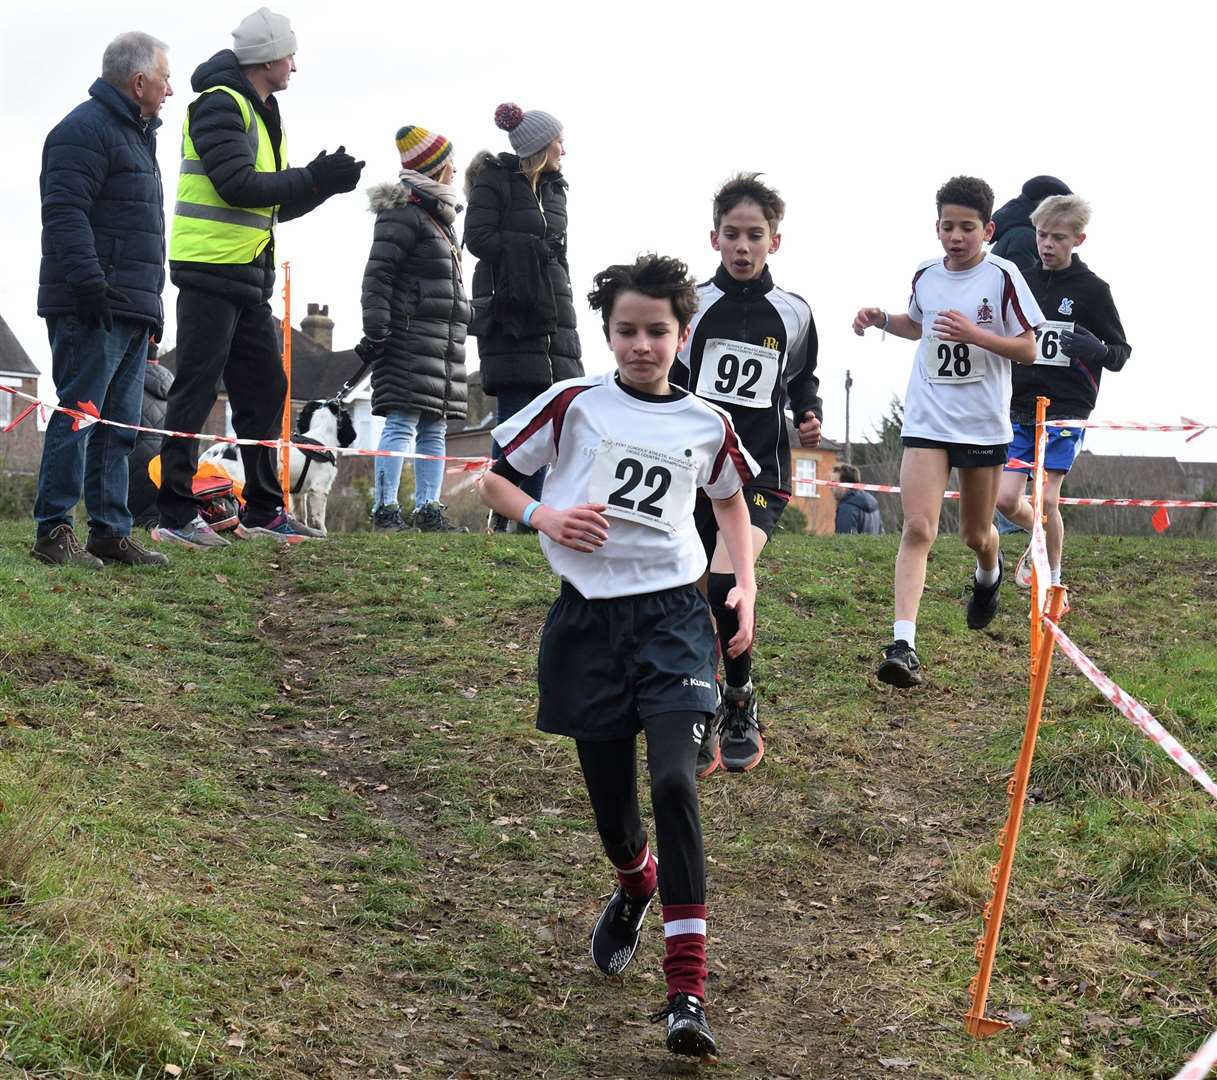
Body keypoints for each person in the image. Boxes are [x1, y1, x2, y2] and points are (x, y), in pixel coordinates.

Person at [479, 254, 758, 1060]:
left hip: (673, 618)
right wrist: (546, 515)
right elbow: (492, 479)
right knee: (614, 816)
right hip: (587, 625)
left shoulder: (706, 421)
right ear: (607, 333)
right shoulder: (572, 404)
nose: (642, 345)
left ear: (683, 333)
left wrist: (742, 582)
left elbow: (729, 500)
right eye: (627, 331)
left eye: (657, 331)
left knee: (674, 780)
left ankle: (686, 992)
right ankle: (634, 881)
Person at [153, 7, 364, 549]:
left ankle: (265, 511)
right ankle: (174, 515)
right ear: (268, 56)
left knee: (265, 387)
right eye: (290, 53)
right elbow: (237, 185)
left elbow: (270, 203)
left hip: (246, 274)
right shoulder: (219, 104)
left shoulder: (259, 109)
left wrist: (320, 185)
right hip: (211, 267)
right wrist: (313, 176)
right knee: (196, 389)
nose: (295, 63)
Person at [853, 176, 1044, 688]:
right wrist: (881, 320)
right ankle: (903, 644)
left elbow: (1029, 347)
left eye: (966, 228)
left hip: (981, 423)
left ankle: (990, 572)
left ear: (988, 229)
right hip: (927, 419)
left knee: (976, 535)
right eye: (947, 227)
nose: (956, 237)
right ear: (936, 227)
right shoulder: (925, 274)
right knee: (918, 528)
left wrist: (976, 334)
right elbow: (919, 324)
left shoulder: (1003, 276)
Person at [671, 173, 820, 776]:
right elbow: (670, 381)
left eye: (754, 235)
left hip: (760, 475)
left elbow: (802, 375)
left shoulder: (794, 312)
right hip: (694, 473)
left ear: (774, 242)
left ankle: (739, 701)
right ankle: (703, 699)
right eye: (731, 234)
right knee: (692, 590)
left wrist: (807, 414)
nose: (742, 246)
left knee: (726, 581)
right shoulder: (692, 308)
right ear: (713, 237)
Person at [31, 31, 174, 569]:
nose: (170, 89)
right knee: (78, 417)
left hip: (131, 308)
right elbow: (64, 213)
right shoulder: (82, 131)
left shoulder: (137, 135)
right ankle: (53, 531)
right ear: (139, 82)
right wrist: (90, 285)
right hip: (92, 304)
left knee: (120, 430)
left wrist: (150, 309)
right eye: (164, 78)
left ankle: (110, 532)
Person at [996, 194, 1131, 589]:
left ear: (1078, 240)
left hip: (1066, 408)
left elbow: (1120, 354)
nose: (1047, 244)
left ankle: (1053, 579)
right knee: (1006, 500)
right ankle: (1037, 540)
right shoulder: (1021, 282)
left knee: (1048, 500)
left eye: (1057, 237)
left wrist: (1098, 350)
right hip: (1019, 403)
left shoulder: (1093, 290)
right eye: (1041, 235)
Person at [464, 102, 583, 531]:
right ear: (540, 145)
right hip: (511, 313)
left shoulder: (554, 189)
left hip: (553, 315)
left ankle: (533, 513)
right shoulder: (494, 182)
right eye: (559, 142)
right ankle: (506, 512)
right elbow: (477, 238)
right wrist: (530, 252)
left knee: (550, 419)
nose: (564, 150)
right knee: (517, 416)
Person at [358, 124, 471, 534]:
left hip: (442, 343)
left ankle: (428, 510)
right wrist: (377, 328)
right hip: (407, 339)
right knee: (401, 422)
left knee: (434, 426)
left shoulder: (437, 218)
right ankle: (385, 510)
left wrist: (471, 315)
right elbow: (378, 275)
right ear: (437, 168)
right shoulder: (404, 215)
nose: (456, 170)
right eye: (450, 162)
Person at [990, 175, 1072, 275]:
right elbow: (1023, 286)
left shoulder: (1016, 232)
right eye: (1059, 210)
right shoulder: (1025, 237)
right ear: (1043, 205)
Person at [832, 463, 882, 534]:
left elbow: (845, 542)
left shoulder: (846, 508)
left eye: (834, 483)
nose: (831, 487)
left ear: (845, 484)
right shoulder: (874, 506)